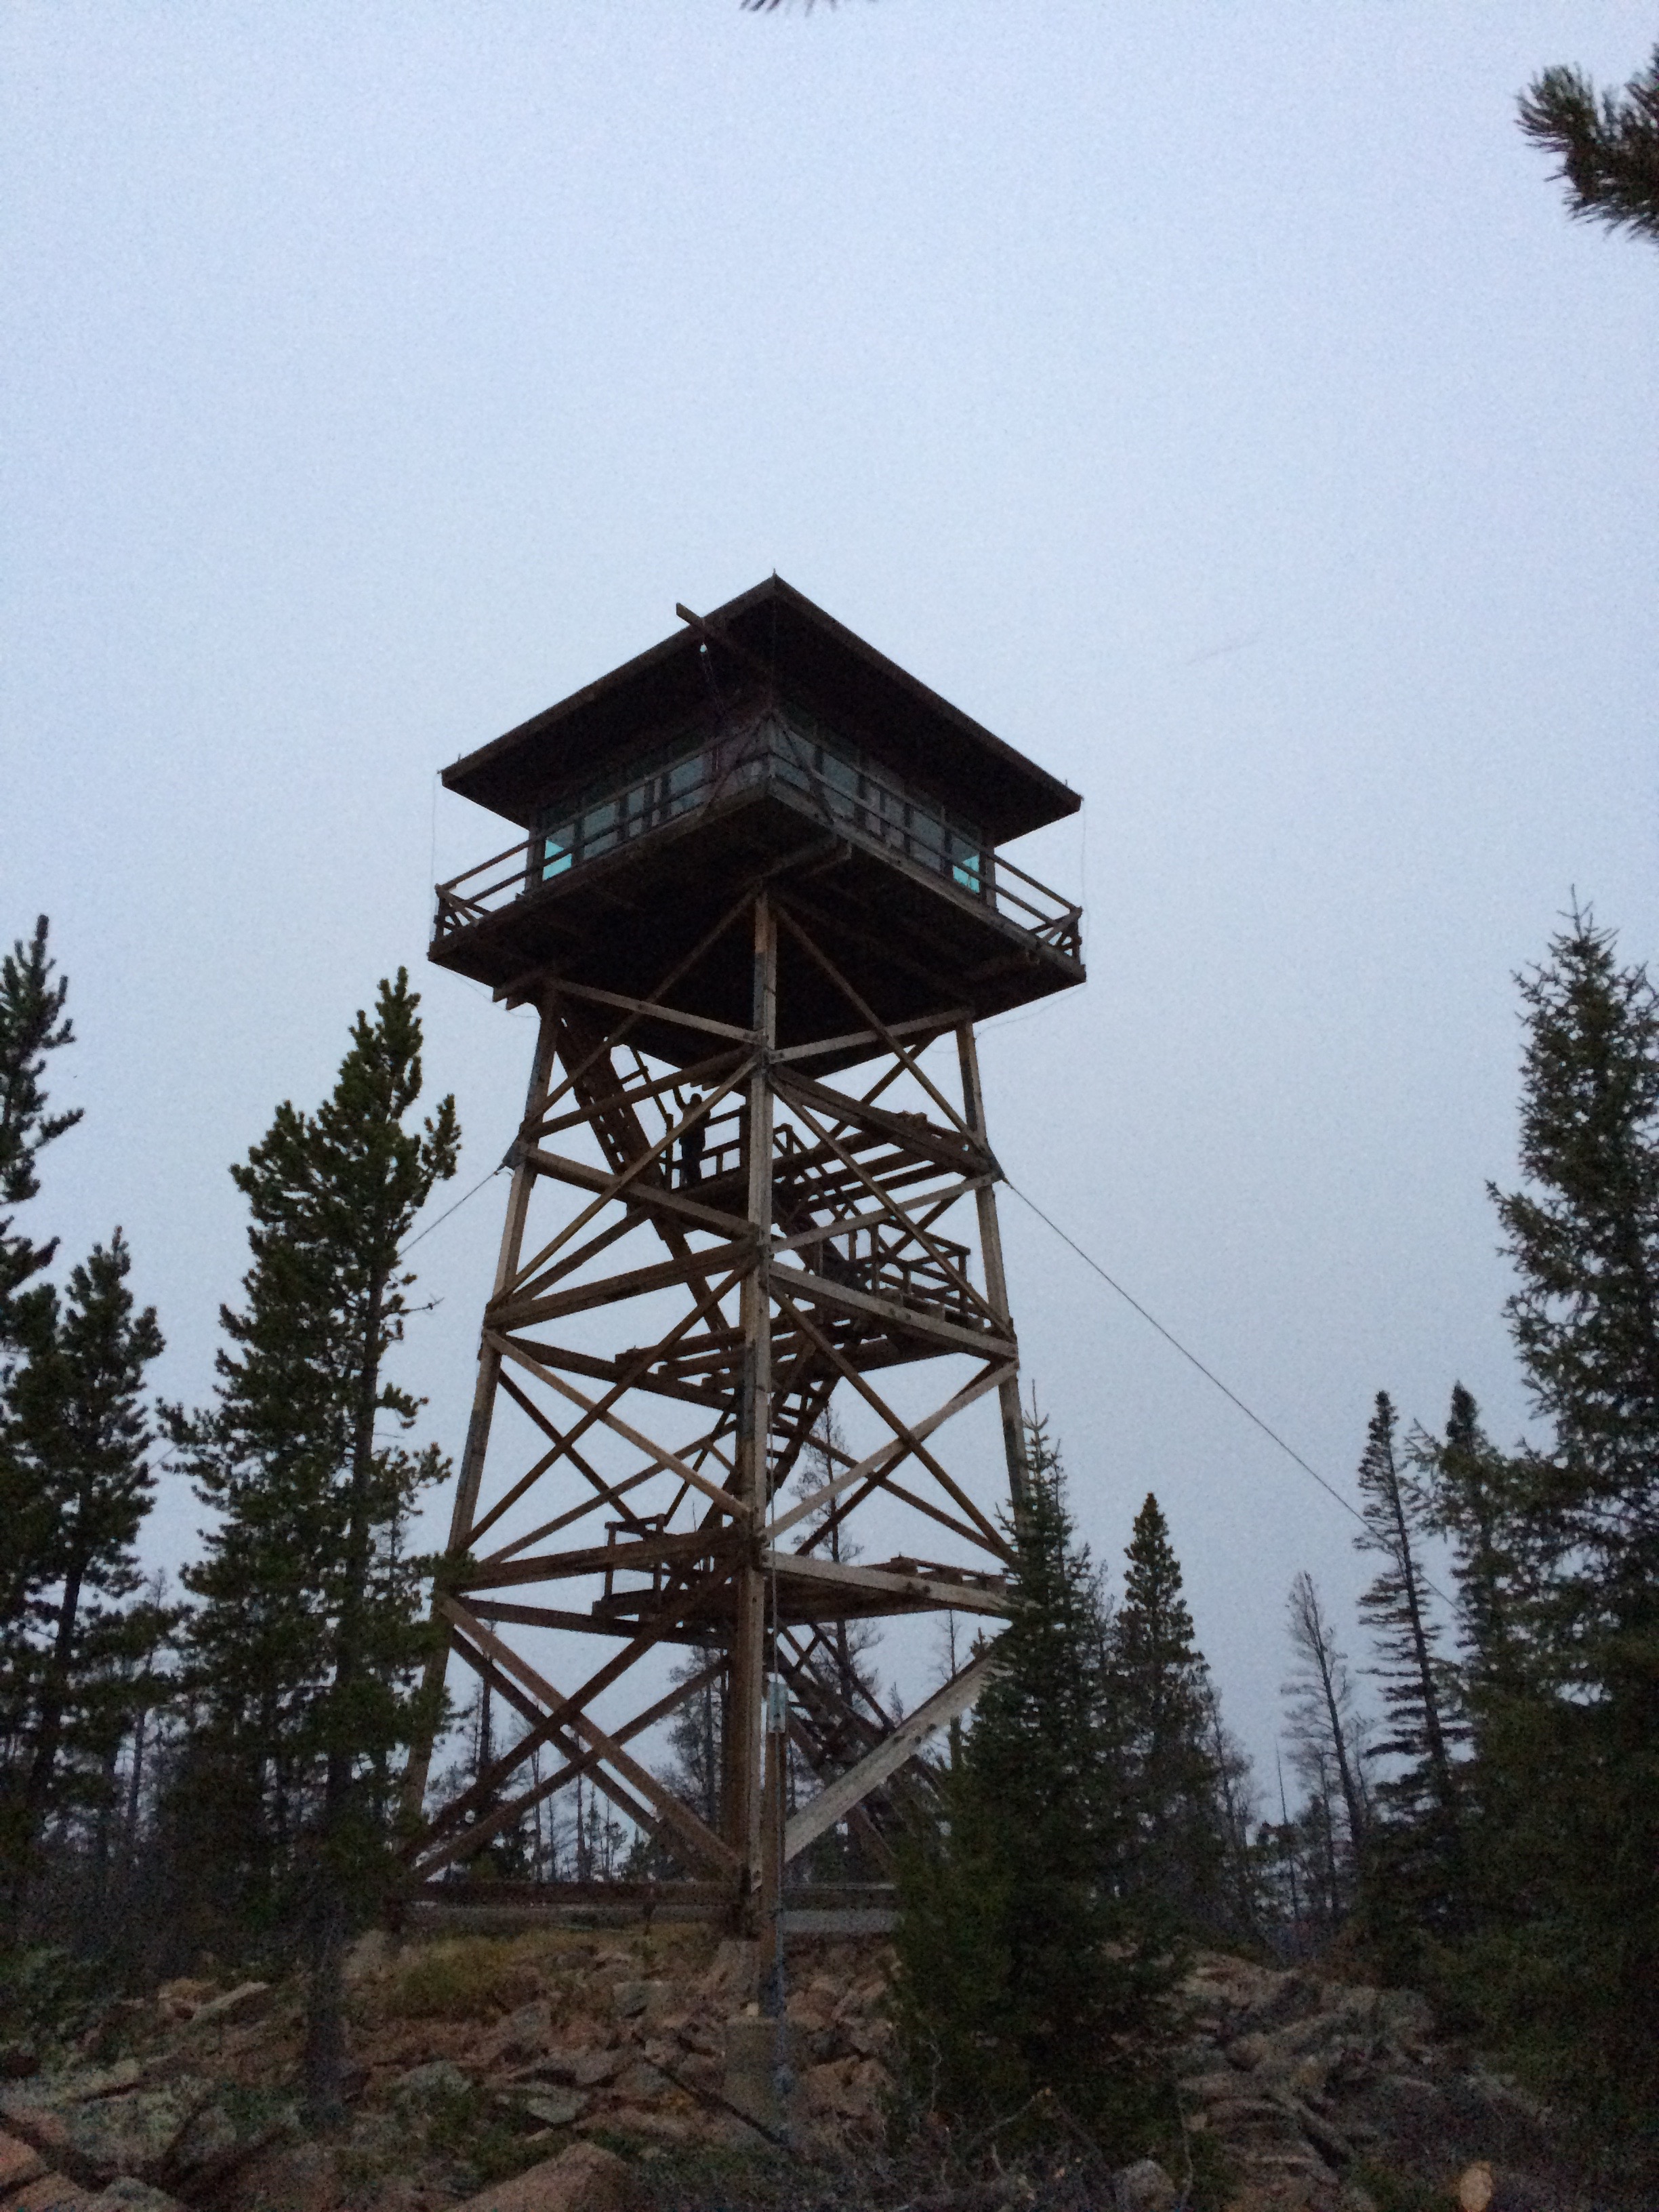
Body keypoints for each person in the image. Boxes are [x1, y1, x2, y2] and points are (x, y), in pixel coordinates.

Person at [678, 1092, 705, 1187]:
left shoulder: (703, 1110)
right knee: (687, 1162)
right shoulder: (688, 1108)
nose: (693, 1101)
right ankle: (691, 1182)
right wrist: (675, 1089)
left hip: (696, 1138)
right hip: (687, 1138)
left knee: (693, 1161)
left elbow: (704, 1120)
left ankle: (696, 1182)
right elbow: (679, 1102)